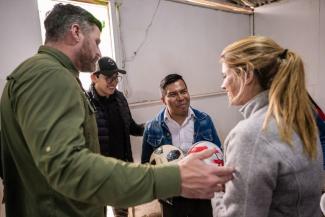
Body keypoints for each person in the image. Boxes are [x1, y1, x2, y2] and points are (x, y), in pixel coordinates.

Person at [0, 4, 235, 217]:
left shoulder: (38, 74)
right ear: (75, 32)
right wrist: (174, 177)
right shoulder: (50, 76)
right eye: (97, 41)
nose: (99, 52)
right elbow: (68, 167)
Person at [214, 35, 323, 217]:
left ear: (247, 74)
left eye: (226, 75)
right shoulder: (301, 118)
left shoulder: (250, 135)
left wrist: (216, 192)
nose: (223, 84)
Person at [141, 73, 222, 217]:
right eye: (173, 94)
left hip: (201, 193)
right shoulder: (152, 127)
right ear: (163, 100)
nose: (180, 98)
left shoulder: (204, 120)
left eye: (183, 91)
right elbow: (146, 165)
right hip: (171, 196)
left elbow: (217, 153)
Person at [88, 56, 144, 217]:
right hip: (97, 175)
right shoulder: (85, 102)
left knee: (122, 214)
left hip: (121, 171)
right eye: (108, 78)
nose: (113, 82)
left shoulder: (120, 98)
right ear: (95, 77)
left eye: (116, 78)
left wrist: (150, 128)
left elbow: (131, 127)